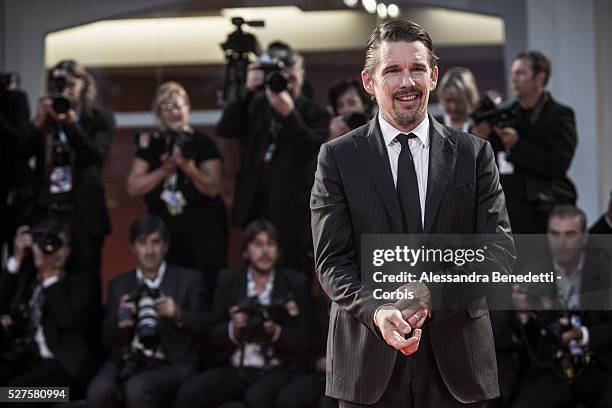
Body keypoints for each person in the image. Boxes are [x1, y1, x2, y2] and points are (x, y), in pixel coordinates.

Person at [310, 19, 514, 407]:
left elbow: (498, 254)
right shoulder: (336, 158)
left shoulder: (474, 154)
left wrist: (433, 294)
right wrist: (378, 309)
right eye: (392, 70)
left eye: (417, 68)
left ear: (433, 76)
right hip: (367, 362)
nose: (407, 81)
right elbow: (332, 262)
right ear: (369, 82)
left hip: (458, 363)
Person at [216, 41, 330, 270]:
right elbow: (226, 129)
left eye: (291, 75)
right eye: (281, 75)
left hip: (292, 209)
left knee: (291, 269)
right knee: (252, 265)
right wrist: (248, 90)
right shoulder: (257, 104)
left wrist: (289, 113)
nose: (285, 82)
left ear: (301, 74)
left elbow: (310, 150)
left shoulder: (315, 113)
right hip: (255, 203)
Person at [174, 219, 312, 408]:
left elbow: (305, 337)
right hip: (236, 366)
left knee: (257, 398)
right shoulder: (228, 280)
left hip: (277, 367)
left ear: (278, 252)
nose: (265, 251)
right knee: (189, 393)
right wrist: (234, 329)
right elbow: (212, 332)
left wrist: (275, 332)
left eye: (270, 244)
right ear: (245, 252)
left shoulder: (295, 282)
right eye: (258, 244)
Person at [16, 59, 115, 303]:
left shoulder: (100, 119)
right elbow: (17, 157)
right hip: (47, 211)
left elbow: (94, 155)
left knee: (87, 283)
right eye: (59, 82)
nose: (66, 88)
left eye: (72, 82)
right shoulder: (44, 121)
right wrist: (37, 123)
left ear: (84, 85)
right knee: (39, 277)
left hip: (83, 216)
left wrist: (70, 124)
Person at [86, 215, 208, 408]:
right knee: (98, 391)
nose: (149, 251)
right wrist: (120, 321)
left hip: (172, 361)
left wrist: (178, 314)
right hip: (128, 358)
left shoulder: (189, 280)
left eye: (155, 242)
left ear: (165, 247)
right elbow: (106, 341)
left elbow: (205, 328)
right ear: (133, 248)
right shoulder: (118, 285)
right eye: (142, 243)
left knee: (137, 389)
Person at [127, 81, 227, 303]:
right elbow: (134, 186)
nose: (172, 111)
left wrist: (188, 167)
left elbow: (212, 187)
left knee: (204, 289)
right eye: (166, 106)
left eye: (177, 106)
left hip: (203, 231)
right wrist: (164, 170)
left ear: (187, 109)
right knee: (169, 288)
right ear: (157, 113)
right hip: (166, 232)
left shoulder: (202, 141)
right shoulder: (152, 144)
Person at [510, 205, 612, 408]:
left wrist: (582, 334)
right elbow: (526, 343)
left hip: (600, 365)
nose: (562, 243)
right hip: (554, 367)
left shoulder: (605, 269)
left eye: (570, 234)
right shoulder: (535, 272)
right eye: (555, 234)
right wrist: (524, 315)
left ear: (584, 236)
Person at [472, 51, 577, 234]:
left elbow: (557, 165)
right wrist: (481, 138)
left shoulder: (559, 115)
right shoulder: (505, 115)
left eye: (521, 73)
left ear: (540, 77)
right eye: (512, 74)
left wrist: (516, 145)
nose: (514, 79)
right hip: (509, 214)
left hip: (544, 213)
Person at [0, 220, 96, 400]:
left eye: (59, 245)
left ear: (68, 251)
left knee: (15, 395)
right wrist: (17, 258)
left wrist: (49, 275)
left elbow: (68, 320)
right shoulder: (30, 277)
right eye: (46, 244)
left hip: (64, 377)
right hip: (26, 358)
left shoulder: (80, 283)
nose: (52, 251)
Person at [435, 67, 479, 132]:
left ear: (469, 98)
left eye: (459, 101)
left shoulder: (480, 126)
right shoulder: (433, 126)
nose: (453, 107)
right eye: (448, 100)